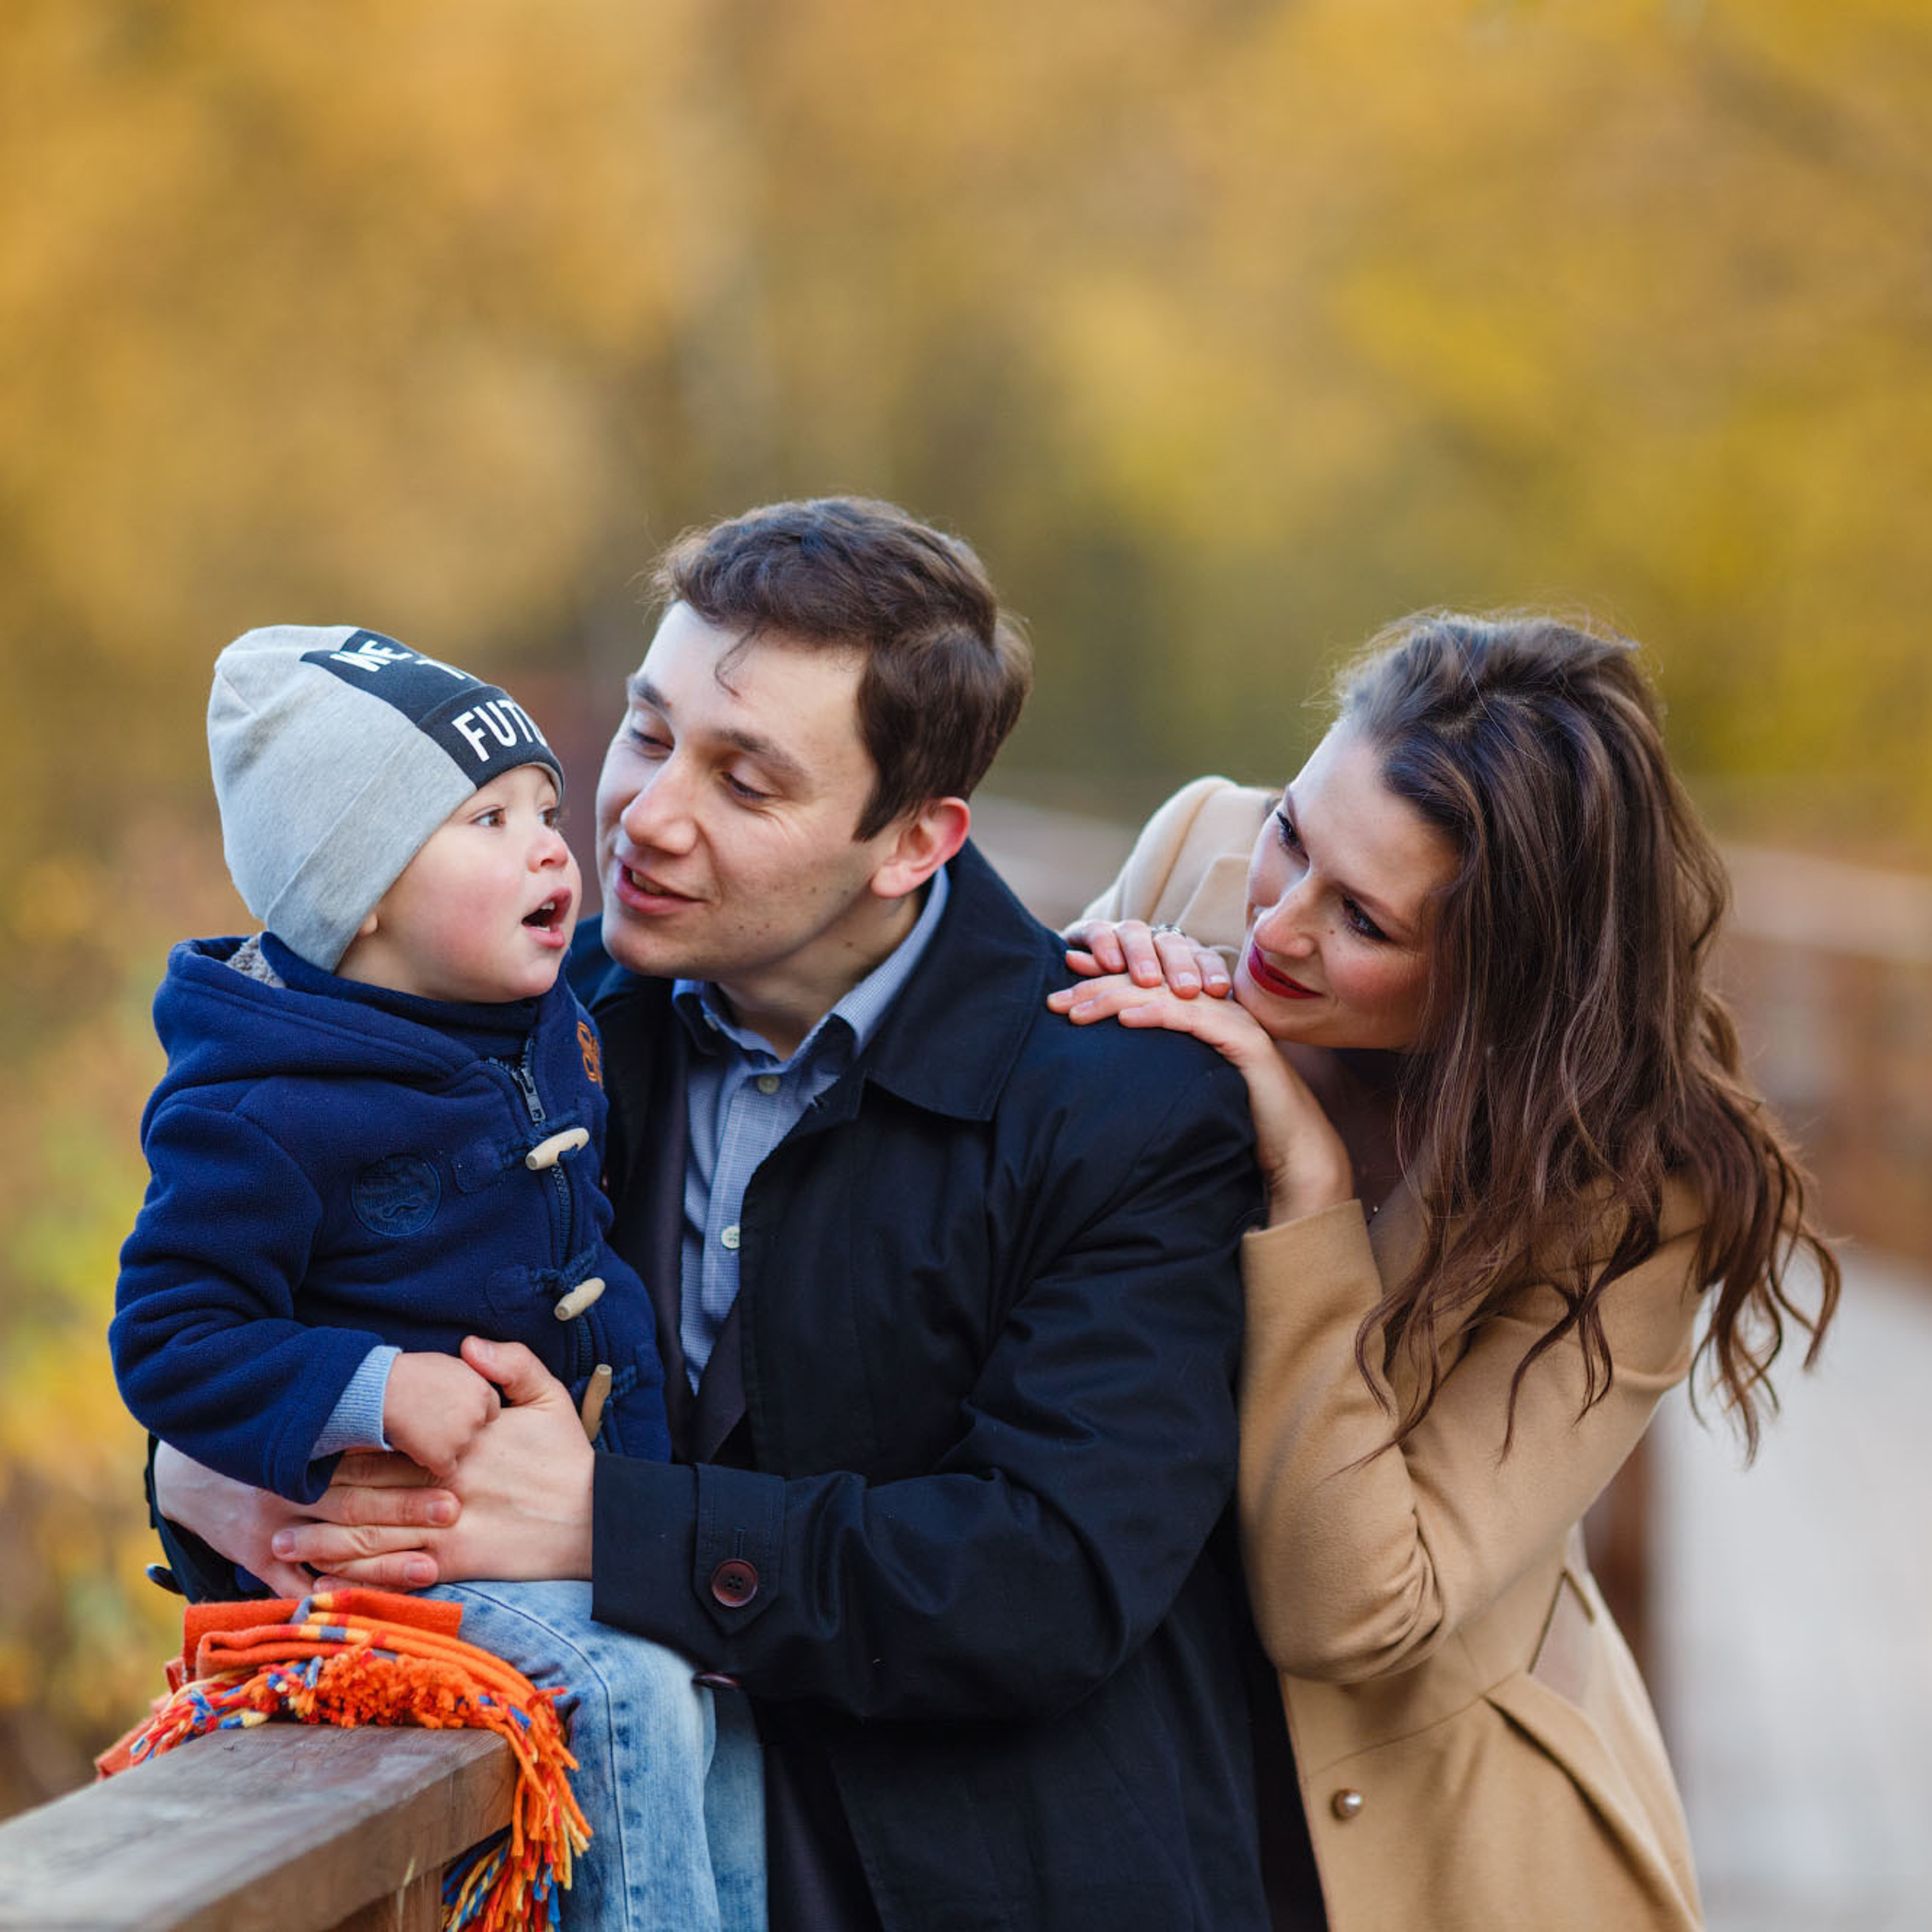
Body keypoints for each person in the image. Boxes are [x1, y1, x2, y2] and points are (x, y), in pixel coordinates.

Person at [149, 500, 1294, 1932]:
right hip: (648, 1838)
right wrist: (211, 1478)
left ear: (913, 840)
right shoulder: (529, 1035)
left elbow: (1051, 1579)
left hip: (999, 1878)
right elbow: (294, 1307)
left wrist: (608, 1523)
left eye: (746, 783)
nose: (646, 811)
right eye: (645, 732)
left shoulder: (1121, 1099)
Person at [1052, 611, 1841, 1932]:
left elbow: (1350, 1613)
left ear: (1503, 979)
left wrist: (1303, 1186)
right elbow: (1009, 1218)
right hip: (1123, 1733)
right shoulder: (1201, 852)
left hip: (1418, 1837)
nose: (1280, 927)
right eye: (1297, 833)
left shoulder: (1629, 1195)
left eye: (1364, 921)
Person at [113, 625, 764, 1932]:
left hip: (564, 1537)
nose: (551, 846)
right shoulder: (258, 1106)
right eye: (489, 820)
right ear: (361, 893)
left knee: (721, 1695)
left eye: (541, 807)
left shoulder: (543, 1025)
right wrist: (367, 1385)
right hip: (399, 1571)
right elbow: (170, 1339)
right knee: (626, 1689)